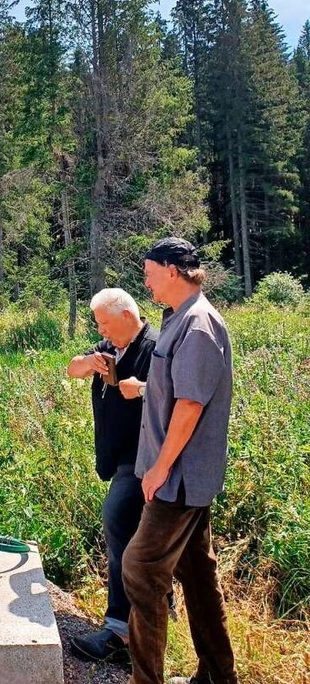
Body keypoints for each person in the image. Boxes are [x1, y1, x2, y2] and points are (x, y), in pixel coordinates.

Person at [121, 237, 238, 684]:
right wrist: (146, 388)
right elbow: (177, 390)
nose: (146, 281)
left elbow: (191, 406)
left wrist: (160, 466)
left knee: (140, 567)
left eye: (150, 272)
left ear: (172, 270)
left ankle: (145, 679)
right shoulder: (178, 321)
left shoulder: (199, 325)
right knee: (196, 573)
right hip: (178, 475)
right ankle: (217, 675)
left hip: (180, 479)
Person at [66, 288, 158, 665]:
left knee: (117, 520)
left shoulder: (154, 347)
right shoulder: (109, 346)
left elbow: (174, 398)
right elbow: (71, 367)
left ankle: (120, 630)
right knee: (139, 538)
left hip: (143, 458)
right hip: (118, 457)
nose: (100, 328)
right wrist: (90, 363)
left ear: (125, 316)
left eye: (103, 321)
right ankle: (150, 613)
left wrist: (139, 391)